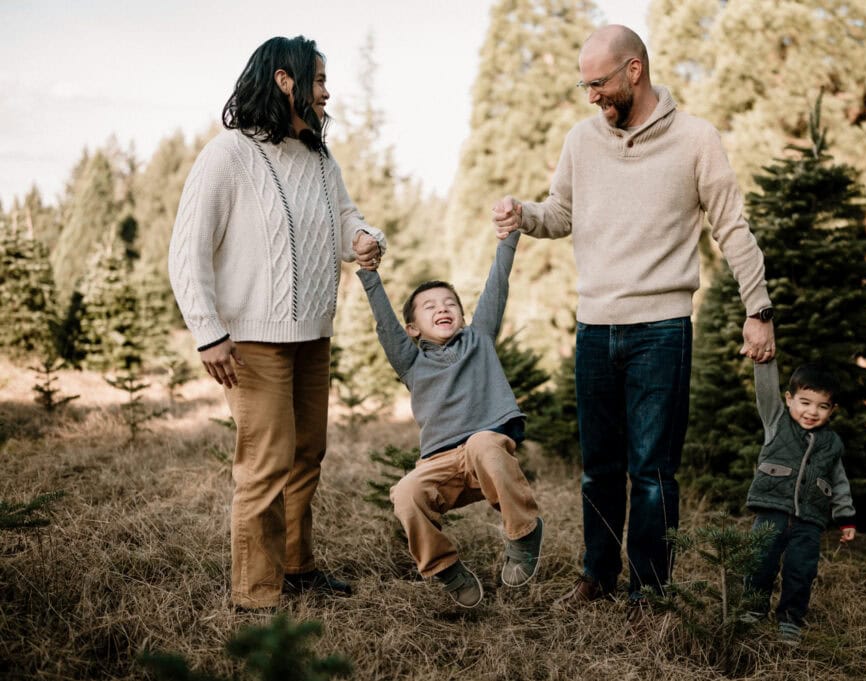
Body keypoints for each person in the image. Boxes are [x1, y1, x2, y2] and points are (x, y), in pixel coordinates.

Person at [492, 24, 775, 608]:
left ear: (634, 71)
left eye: (598, 83)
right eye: (584, 85)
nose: (591, 96)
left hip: (662, 330)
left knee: (651, 471)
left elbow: (733, 229)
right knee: (599, 466)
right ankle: (598, 576)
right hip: (595, 327)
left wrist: (759, 309)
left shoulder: (697, 139)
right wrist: (524, 213)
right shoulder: (581, 140)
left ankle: (650, 589)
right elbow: (562, 213)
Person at [168, 35, 385, 611]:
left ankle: (297, 567)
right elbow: (187, 250)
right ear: (285, 81)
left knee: (307, 453)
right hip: (253, 342)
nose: (326, 89)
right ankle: (257, 596)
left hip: (314, 334)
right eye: (316, 79)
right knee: (264, 465)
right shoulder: (229, 154)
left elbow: (342, 216)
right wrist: (208, 332)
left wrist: (362, 237)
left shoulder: (318, 156)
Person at [356, 230, 543, 608]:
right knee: (406, 493)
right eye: (429, 307)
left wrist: (508, 239)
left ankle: (524, 532)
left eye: (449, 304)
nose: (442, 309)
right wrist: (368, 272)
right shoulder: (411, 363)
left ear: (461, 314)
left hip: (485, 453)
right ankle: (445, 568)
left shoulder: (480, 339)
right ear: (412, 328)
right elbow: (384, 324)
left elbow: (498, 285)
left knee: (482, 443)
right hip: (440, 462)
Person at [742, 359, 856, 645]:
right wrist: (763, 359)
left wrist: (845, 517)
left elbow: (840, 483)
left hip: (809, 520)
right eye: (805, 402)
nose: (812, 412)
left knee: (801, 570)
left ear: (833, 410)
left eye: (822, 406)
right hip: (772, 511)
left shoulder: (832, 444)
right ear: (789, 399)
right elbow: (765, 389)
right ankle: (752, 611)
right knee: (760, 562)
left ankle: (791, 619)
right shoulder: (775, 421)